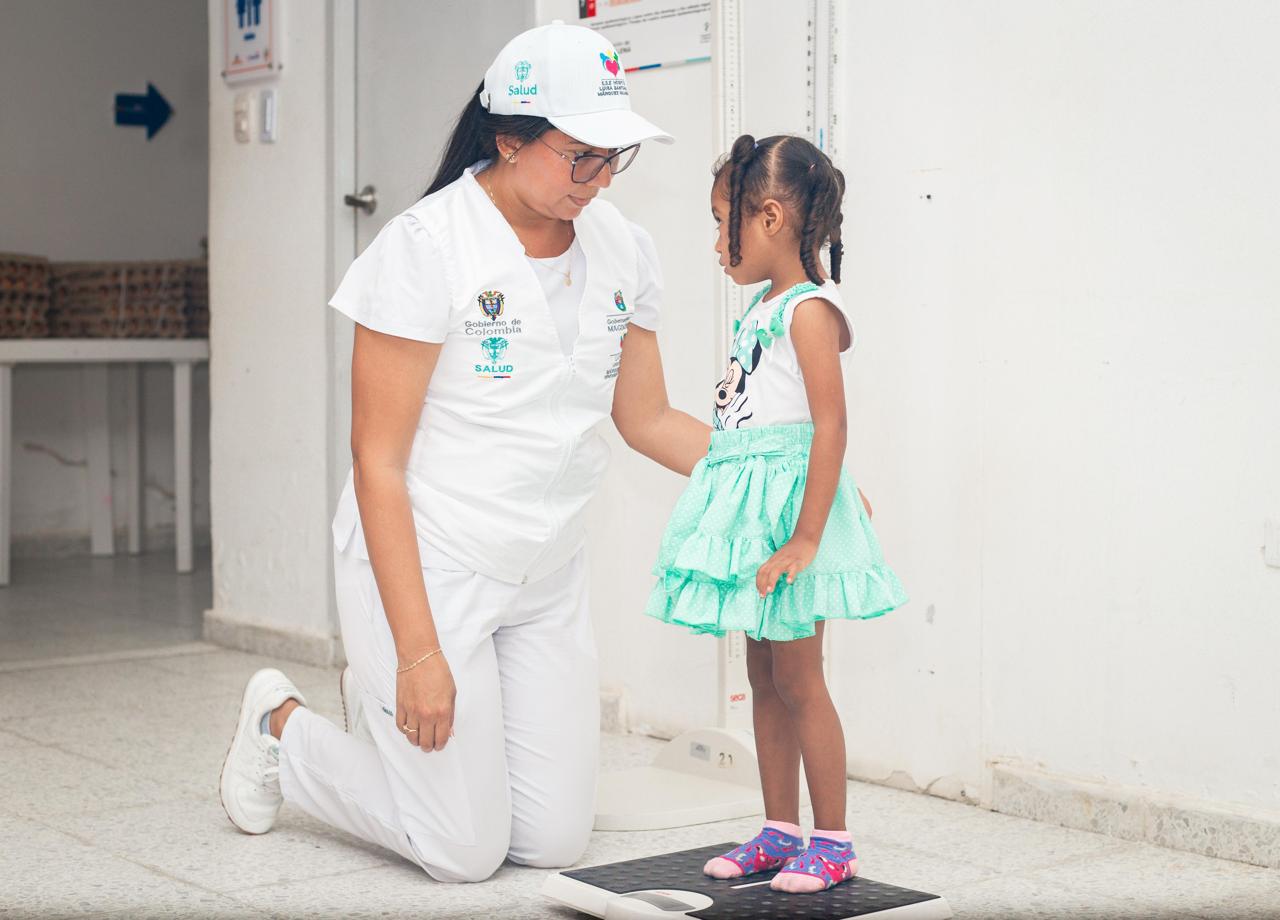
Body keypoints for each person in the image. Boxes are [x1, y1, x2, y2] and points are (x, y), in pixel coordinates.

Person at [218, 21, 709, 883]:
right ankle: (283, 731)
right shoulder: (426, 249)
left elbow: (650, 418)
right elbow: (377, 462)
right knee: (463, 852)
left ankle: (408, 746)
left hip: (543, 574)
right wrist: (418, 654)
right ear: (509, 138)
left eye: (613, 157)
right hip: (430, 568)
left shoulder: (622, 246)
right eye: (580, 156)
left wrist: (784, 475)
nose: (597, 180)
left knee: (554, 840)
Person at [645, 133, 909, 893]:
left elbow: (830, 425)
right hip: (757, 513)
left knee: (800, 677)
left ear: (765, 219)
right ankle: (779, 826)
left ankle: (833, 839)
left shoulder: (809, 311)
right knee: (761, 674)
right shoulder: (763, 308)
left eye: (720, 220)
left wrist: (807, 535)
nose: (714, 241)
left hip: (793, 521)